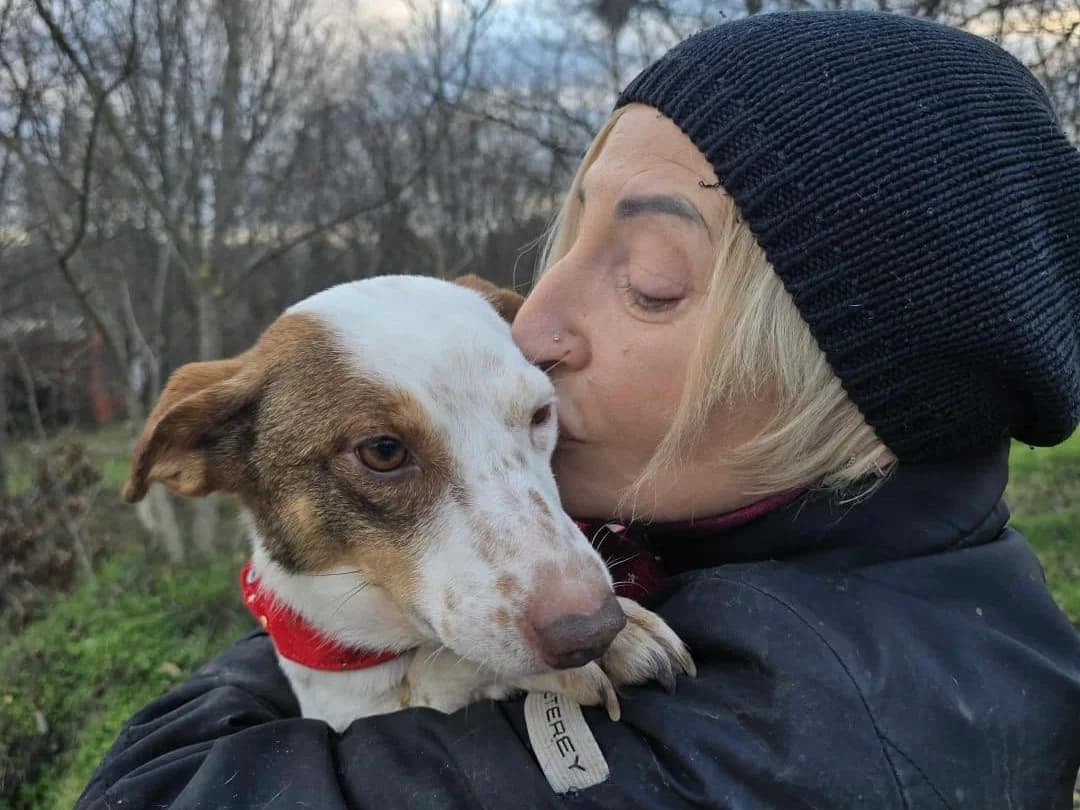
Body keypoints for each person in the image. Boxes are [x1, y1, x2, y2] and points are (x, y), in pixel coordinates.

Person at [77, 10, 1080, 809]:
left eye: (648, 281)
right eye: (571, 236)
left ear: (850, 389)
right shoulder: (757, 542)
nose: (535, 319)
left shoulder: (806, 742)